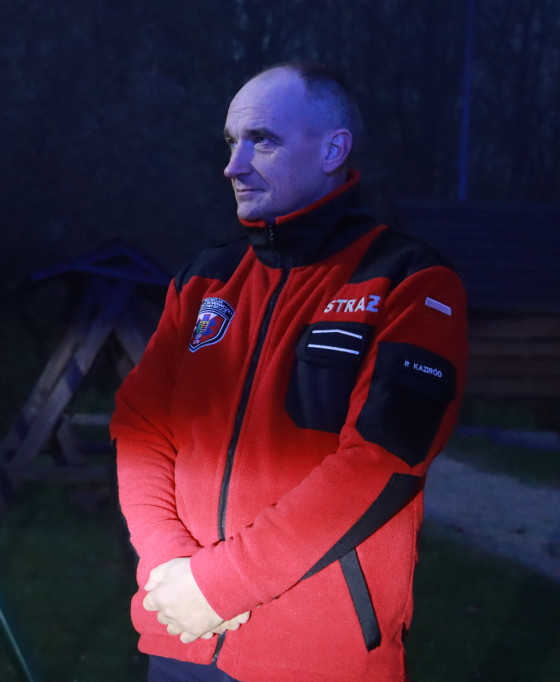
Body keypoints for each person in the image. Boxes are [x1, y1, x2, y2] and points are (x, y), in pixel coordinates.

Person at [111, 63, 468, 681]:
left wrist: (223, 585)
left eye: (262, 140)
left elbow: (383, 459)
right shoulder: (205, 280)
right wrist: (171, 568)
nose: (234, 165)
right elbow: (141, 427)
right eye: (231, 143)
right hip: (180, 635)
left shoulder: (411, 280)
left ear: (334, 149)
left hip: (316, 655)